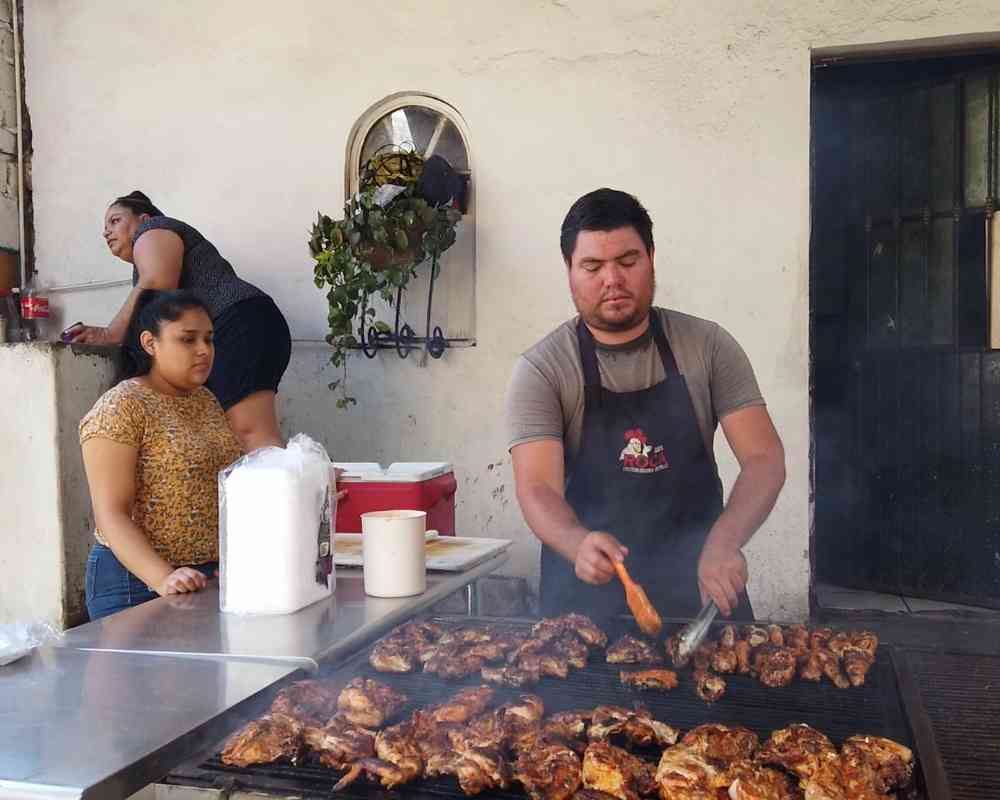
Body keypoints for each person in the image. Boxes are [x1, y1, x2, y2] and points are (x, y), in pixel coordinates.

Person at [505, 188, 785, 622]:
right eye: (593, 266)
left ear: (651, 257)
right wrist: (576, 542)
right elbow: (537, 486)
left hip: (700, 584)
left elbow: (764, 458)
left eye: (627, 261)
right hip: (586, 602)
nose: (612, 279)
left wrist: (725, 541)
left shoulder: (707, 348)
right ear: (569, 270)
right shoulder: (543, 369)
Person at [68, 191, 291, 452]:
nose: (106, 232)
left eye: (115, 221)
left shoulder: (153, 229)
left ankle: (291, 490)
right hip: (246, 324)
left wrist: (110, 334)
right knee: (237, 435)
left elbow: (158, 285)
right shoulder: (143, 263)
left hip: (238, 320)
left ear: (143, 218)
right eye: (105, 227)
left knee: (249, 430)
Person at [80, 290, 244, 620]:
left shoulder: (206, 401)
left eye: (209, 340)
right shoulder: (121, 407)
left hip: (201, 580)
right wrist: (162, 577)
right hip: (135, 583)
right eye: (187, 339)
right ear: (149, 343)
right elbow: (111, 514)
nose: (203, 350)